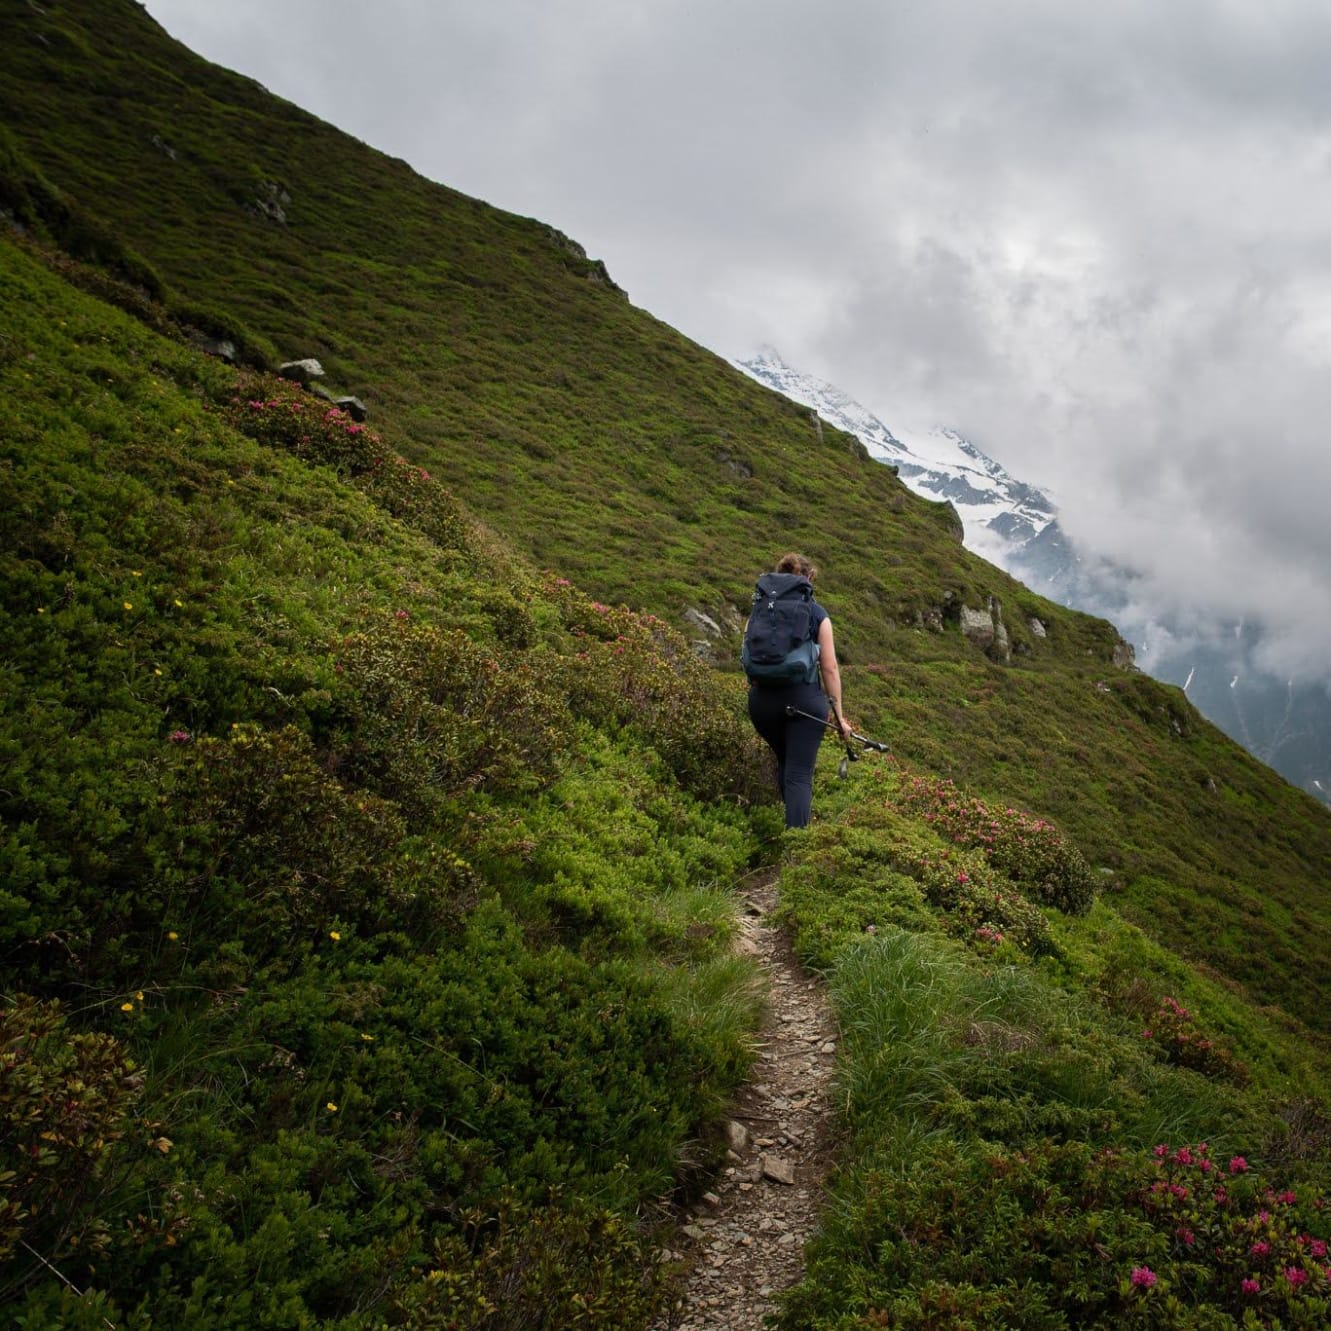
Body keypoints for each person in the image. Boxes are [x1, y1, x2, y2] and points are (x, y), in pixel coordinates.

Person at [746, 552, 854, 828]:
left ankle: (790, 822)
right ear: (808, 580)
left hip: (762, 704)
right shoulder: (817, 614)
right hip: (804, 702)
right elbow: (829, 668)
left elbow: (750, 656)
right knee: (799, 774)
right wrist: (840, 718)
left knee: (786, 759)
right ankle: (797, 844)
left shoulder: (759, 609)